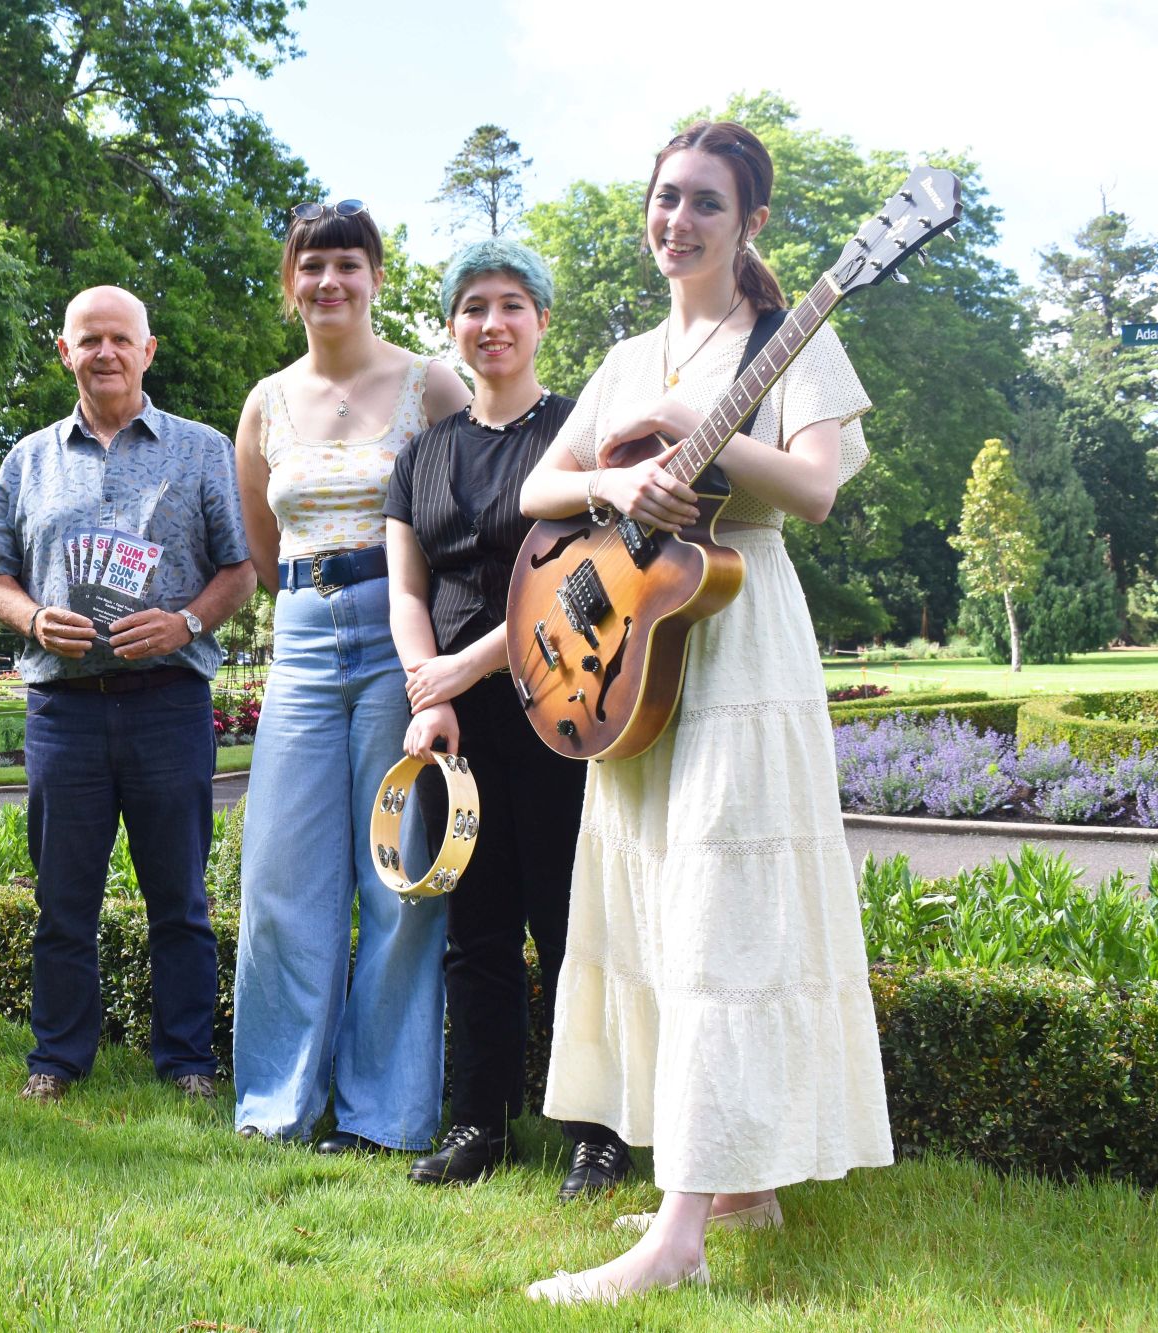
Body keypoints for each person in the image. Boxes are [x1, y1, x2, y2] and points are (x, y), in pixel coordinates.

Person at [515, 122, 892, 1304]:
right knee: (652, 907)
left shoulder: (791, 341)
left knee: (722, 910)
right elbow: (536, 488)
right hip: (630, 654)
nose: (674, 220)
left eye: (703, 204)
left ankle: (675, 1239)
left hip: (739, 649)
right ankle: (732, 1185)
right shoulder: (626, 355)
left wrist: (701, 439)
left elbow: (818, 488)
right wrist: (611, 481)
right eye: (664, 198)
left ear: (751, 224)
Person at [381, 237, 636, 1194]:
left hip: (565, 702)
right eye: (472, 307)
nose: (490, 324)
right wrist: (430, 687)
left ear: (540, 321)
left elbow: (581, 577)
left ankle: (595, 1133)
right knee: (474, 929)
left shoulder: (578, 441)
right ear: (450, 326)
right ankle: (478, 1123)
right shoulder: (421, 454)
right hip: (456, 722)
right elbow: (408, 589)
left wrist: (460, 668)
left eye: (511, 304)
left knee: (571, 926)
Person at [0, 285, 255, 1103]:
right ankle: (57, 1058)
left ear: (147, 350)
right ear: (65, 351)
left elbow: (240, 570)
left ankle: (188, 1059)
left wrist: (187, 624)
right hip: (64, 706)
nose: (104, 352)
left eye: (119, 339)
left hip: (168, 699)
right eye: (87, 339)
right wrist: (30, 619)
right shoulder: (28, 459)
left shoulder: (201, 449)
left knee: (181, 896)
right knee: (63, 898)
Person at [229, 200, 470, 1154]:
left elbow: (460, 520)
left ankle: (385, 1112)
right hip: (298, 635)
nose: (329, 281)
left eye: (347, 264)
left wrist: (442, 664)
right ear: (291, 284)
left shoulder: (429, 384)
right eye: (311, 266)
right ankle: (280, 1104)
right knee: (282, 876)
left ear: (375, 276)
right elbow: (259, 536)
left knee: (401, 868)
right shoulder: (265, 401)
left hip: (395, 636)